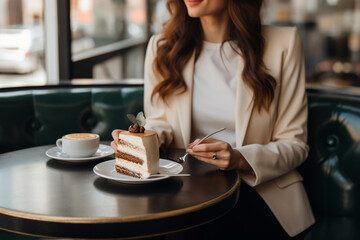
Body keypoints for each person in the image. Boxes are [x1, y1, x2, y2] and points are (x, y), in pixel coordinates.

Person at [112, 0, 315, 239]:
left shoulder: (284, 43)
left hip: (259, 194)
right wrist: (144, 140)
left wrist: (240, 159)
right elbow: (161, 122)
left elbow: (295, 144)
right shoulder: (162, 46)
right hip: (184, 192)